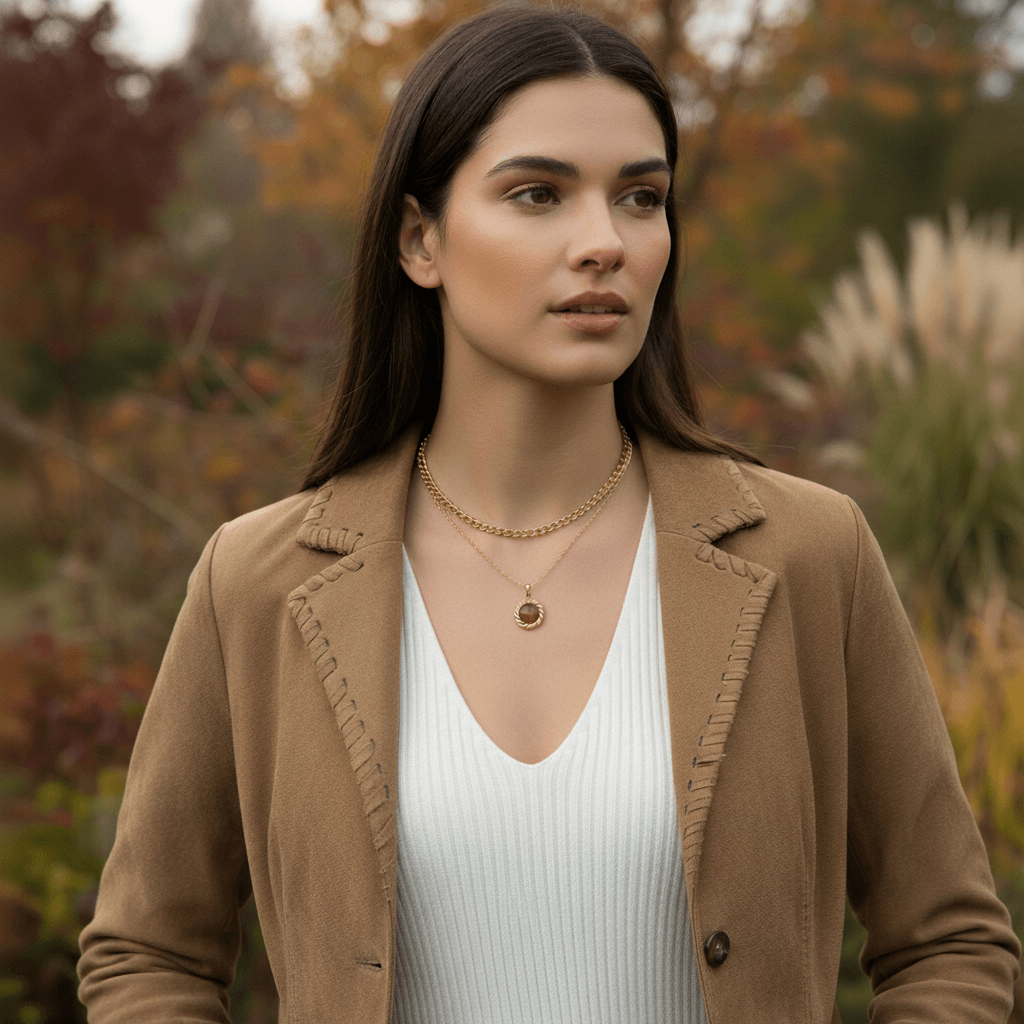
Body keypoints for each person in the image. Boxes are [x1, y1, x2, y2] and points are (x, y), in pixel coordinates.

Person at [76, 5, 1020, 1022]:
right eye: (537, 193)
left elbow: (949, 942)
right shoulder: (257, 579)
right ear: (420, 239)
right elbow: (147, 954)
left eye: (641, 198)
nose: (604, 242)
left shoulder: (810, 554)